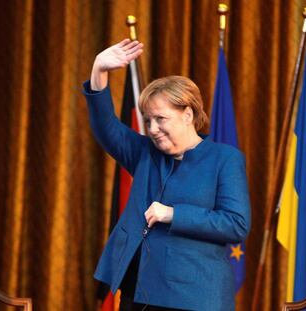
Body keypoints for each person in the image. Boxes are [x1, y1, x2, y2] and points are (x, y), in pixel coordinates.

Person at [82, 39, 251, 311]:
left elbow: (236, 224)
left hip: (193, 297)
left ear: (187, 114)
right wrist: (98, 70)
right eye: (147, 120)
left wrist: (173, 214)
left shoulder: (225, 159)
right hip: (137, 290)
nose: (152, 128)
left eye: (160, 118)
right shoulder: (144, 153)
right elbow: (105, 127)